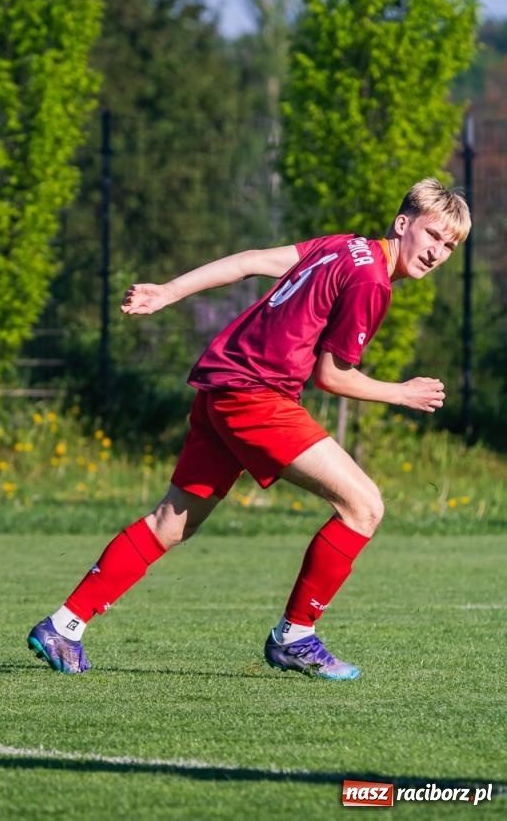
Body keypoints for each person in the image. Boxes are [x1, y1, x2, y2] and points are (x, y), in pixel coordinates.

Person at [28, 179, 469, 680]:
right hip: (256, 395)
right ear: (403, 223)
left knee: (171, 523)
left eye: (450, 246)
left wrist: (167, 291)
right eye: (433, 235)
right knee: (364, 505)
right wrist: (401, 392)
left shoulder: (343, 248)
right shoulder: (372, 281)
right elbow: (331, 376)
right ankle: (296, 637)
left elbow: (250, 260)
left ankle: (63, 626)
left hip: (221, 383)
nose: (437, 252)